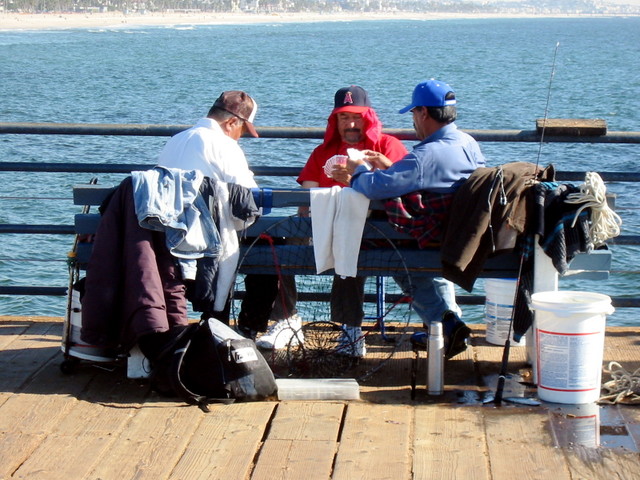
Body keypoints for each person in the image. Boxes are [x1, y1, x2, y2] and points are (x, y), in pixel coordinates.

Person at [249, 85, 408, 356]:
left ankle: (351, 328)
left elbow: (404, 185)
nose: (351, 123)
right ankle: (286, 318)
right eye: (344, 117)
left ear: (369, 117)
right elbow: (305, 197)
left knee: (349, 243)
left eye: (357, 116)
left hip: (370, 230)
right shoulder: (323, 151)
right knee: (278, 245)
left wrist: (366, 177)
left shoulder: (386, 146)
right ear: (335, 120)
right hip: (322, 222)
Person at [340, 79, 486, 358]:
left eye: (414, 114)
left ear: (423, 113)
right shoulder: (468, 142)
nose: (414, 121)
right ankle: (446, 324)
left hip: (437, 239)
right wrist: (387, 166)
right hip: (462, 234)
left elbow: (372, 187)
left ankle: (444, 323)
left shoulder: (426, 155)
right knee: (407, 257)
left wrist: (357, 169)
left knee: (392, 256)